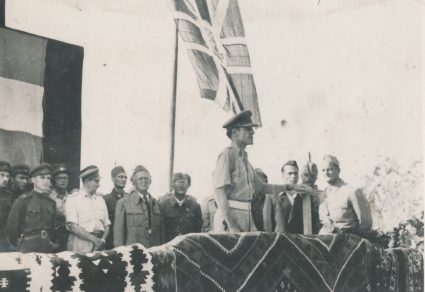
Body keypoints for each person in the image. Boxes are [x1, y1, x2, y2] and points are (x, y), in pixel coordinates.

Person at [213, 110, 313, 232]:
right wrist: (232, 225)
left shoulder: (246, 162)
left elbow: (262, 187)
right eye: (248, 129)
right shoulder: (227, 156)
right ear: (235, 133)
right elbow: (219, 192)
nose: (252, 132)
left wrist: (290, 187)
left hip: (247, 216)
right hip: (230, 218)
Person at [5, 163, 58, 253]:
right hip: (28, 246)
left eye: (48, 178)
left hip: (46, 246)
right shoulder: (23, 200)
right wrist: (19, 244)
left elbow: (53, 227)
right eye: (42, 177)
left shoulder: (51, 203)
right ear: (33, 180)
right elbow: (11, 228)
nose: (46, 181)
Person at [319, 155, 372, 235]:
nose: (326, 173)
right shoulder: (324, 194)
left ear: (338, 170)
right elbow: (323, 218)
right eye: (323, 170)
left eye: (330, 169)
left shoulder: (351, 191)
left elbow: (365, 222)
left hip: (347, 239)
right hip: (327, 237)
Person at [114, 165, 164, 248]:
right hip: (133, 255)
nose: (144, 181)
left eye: (146, 179)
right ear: (134, 182)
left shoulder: (157, 204)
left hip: (154, 253)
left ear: (150, 182)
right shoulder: (123, 203)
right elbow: (118, 236)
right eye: (140, 179)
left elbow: (162, 234)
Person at [263, 161, 319, 234]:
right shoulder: (272, 197)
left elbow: (314, 224)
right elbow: (267, 225)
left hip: (299, 242)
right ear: (283, 175)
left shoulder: (305, 198)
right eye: (290, 173)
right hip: (280, 242)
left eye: (295, 173)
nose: (293, 176)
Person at [65, 165, 110, 253]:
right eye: (96, 181)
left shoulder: (101, 200)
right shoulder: (73, 199)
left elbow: (107, 225)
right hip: (81, 243)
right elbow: (72, 226)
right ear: (87, 181)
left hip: (100, 244)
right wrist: (94, 240)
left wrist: (102, 241)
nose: (99, 185)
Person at [159, 173, 202, 243]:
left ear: (188, 186)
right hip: (168, 248)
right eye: (179, 183)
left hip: (189, 248)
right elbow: (160, 231)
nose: (181, 186)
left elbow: (197, 232)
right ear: (172, 186)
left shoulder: (195, 207)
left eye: (184, 184)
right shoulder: (163, 206)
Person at [103, 166, 127, 249]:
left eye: (125, 178)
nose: (124, 180)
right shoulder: (106, 199)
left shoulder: (130, 198)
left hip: (127, 241)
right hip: (111, 241)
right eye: (120, 177)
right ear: (113, 179)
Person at [49, 164, 70, 252]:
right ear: (54, 180)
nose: (62, 181)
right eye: (59, 178)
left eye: (65, 178)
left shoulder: (72, 198)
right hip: (53, 237)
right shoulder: (48, 197)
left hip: (68, 237)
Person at [300, 161, 321, 234]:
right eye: (306, 175)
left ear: (316, 178)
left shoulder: (321, 195)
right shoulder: (294, 194)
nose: (308, 179)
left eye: (312, 176)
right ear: (301, 176)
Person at [0, 161, 13, 252]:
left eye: (7, 176)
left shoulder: (9, 195)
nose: (5, 179)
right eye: (2, 175)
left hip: (3, 238)